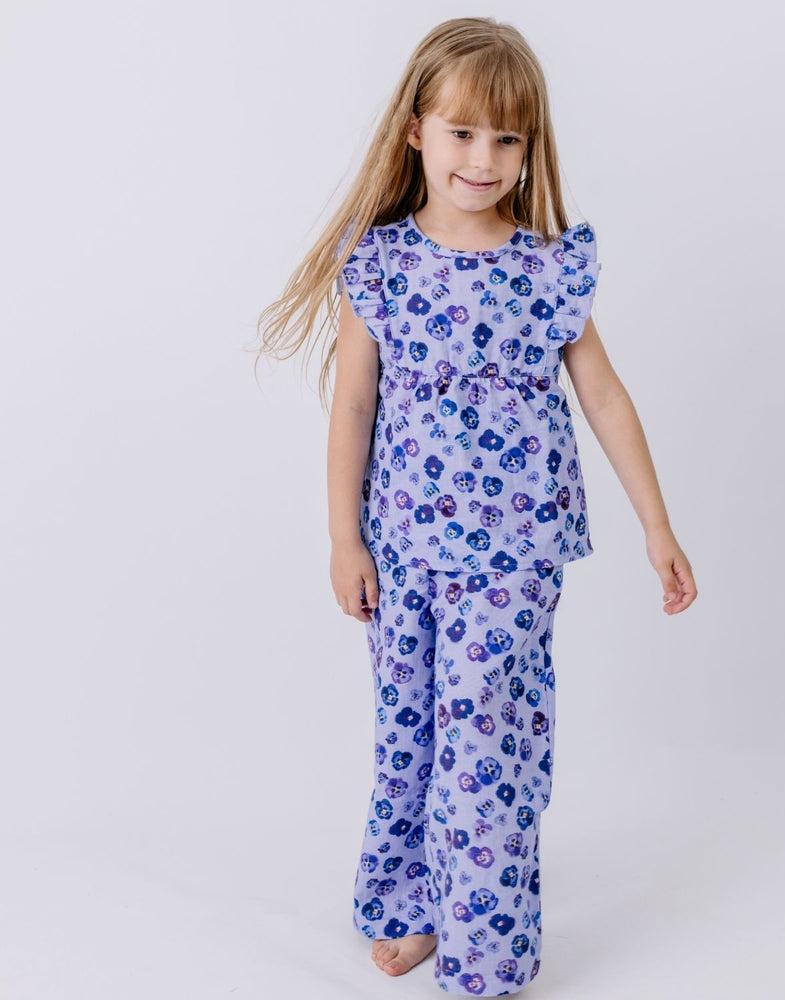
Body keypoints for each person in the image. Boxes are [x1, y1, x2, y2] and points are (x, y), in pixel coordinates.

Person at [256, 15, 697, 997]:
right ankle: (414, 906)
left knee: (485, 740)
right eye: (463, 132)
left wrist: (656, 526)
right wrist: (343, 538)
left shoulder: (546, 269)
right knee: (411, 730)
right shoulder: (378, 264)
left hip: (513, 553)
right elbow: (354, 406)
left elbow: (604, 397)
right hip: (404, 547)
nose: (484, 158)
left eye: (507, 138)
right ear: (416, 130)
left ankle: (488, 948)